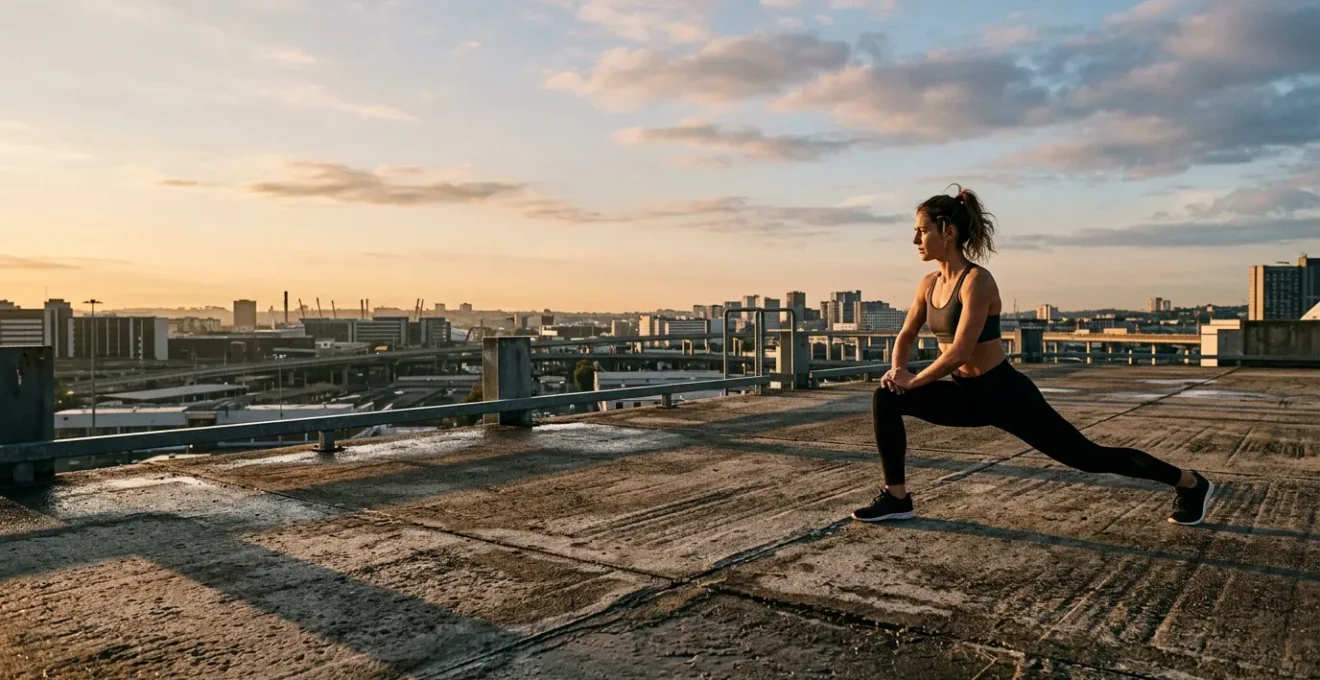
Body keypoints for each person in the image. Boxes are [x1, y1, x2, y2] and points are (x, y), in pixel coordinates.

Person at [851, 185, 1214, 526]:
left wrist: (914, 380)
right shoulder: (928, 284)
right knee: (886, 396)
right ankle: (896, 497)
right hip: (965, 393)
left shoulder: (978, 281)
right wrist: (897, 371)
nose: (915, 239)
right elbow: (907, 333)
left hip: (1005, 394)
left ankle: (1189, 482)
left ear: (947, 231)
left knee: (1088, 457)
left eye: (922, 230)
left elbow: (961, 348)